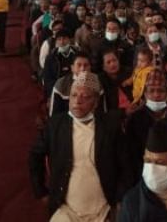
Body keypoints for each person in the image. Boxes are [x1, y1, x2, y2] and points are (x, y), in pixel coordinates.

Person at [29, 72, 129, 220]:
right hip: (65, 208)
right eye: (74, 95)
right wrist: (41, 192)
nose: (77, 101)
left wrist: (120, 199)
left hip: (103, 209)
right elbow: (35, 156)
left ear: (96, 102)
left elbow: (126, 165)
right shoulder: (55, 125)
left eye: (85, 96)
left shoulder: (110, 127)